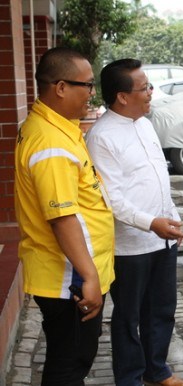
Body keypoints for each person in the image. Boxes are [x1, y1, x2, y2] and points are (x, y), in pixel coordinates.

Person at [14, 47, 115, 385]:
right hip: (68, 279)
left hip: (70, 274)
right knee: (70, 365)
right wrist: (89, 278)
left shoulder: (55, 128)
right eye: (86, 85)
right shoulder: (50, 143)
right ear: (60, 87)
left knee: (71, 359)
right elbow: (62, 218)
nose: (91, 94)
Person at [85, 59, 183, 386]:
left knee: (161, 311)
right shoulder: (101, 137)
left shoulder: (145, 124)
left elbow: (159, 178)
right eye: (144, 88)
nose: (150, 93)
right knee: (128, 317)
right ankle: (130, 378)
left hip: (163, 239)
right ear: (122, 97)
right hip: (129, 246)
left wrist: (171, 219)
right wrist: (151, 223)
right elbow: (112, 198)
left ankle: (157, 372)